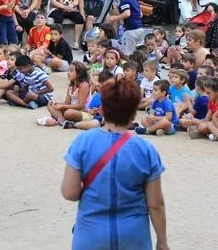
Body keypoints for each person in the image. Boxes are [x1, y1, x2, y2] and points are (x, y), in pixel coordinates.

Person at [61, 73, 169, 250]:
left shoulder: (83, 142)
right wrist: (162, 241)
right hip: (133, 235)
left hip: (91, 233)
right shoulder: (145, 150)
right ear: (134, 112)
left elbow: (69, 193)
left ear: (102, 109)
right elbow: (155, 204)